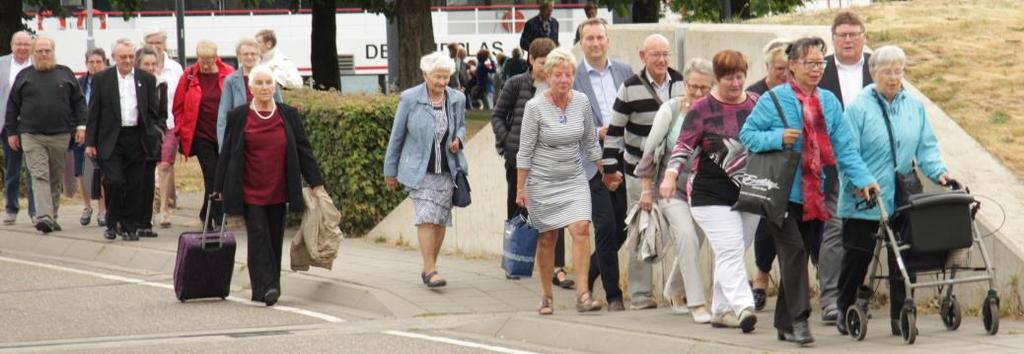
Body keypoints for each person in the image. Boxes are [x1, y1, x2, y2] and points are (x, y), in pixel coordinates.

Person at [739, 36, 879, 345]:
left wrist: (864, 179)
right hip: (780, 193)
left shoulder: (828, 101)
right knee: (795, 252)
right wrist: (778, 137)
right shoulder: (774, 99)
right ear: (792, 66)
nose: (817, 69)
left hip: (814, 193)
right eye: (810, 63)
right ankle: (801, 320)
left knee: (796, 258)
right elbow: (747, 134)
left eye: (820, 63)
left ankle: (783, 322)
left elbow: (845, 147)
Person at [835, 45, 951, 337]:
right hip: (865, 197)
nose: (893, 76)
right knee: (857, 257)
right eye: (886, 71)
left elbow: (927, 147)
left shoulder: (914, 106)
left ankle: (901, 316)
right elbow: (847, 152)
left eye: (898, 70)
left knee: (904, 257)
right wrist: (862, 181)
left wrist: (940, 172)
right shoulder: (859, 108)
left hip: (902, 195)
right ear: (873, 73)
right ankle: (844, 307)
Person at [657, 51, 757, 331]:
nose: (735, 83)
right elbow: (683, 146)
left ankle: (721, 310)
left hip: (750, 191)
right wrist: (670, 175)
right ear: (717, 78)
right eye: (728, 78)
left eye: (739, 77)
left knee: (734, 251)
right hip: (709, 193)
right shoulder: (702, 108)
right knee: (729, 249)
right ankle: (743, 305)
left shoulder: (756, 104)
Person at [214, 65, 324, 307]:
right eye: (260, 83)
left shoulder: (288, 114)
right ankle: (268, 286)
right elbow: (228, 153)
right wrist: (219, 185)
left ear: (274, 87)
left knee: (274, 238)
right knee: (258, 236)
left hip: (279, 188)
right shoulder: (239, 115)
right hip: (250, 188)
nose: (265, 87)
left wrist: (316, 183)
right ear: (251, 88)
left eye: (268, 83)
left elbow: (304, 150)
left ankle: (265, 288)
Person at [515, 47, 602, 315]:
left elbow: (589, 141)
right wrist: (521, 188)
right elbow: (525, 149)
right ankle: (546, 295)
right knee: (547, 238)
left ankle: (583, 294)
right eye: (558, 75)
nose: (563, 80)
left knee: (581, 229)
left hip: (574, 178)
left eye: (568, 75)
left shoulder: (582, 102)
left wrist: (604, 169)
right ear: (548, 76)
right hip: (543, 181)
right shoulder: (535, 107)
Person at [602, 33, 685, 310]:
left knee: (680, 231)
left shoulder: (682, 84)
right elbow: (614, 132)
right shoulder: (629, 87)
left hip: (674, 171)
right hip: (638, 171)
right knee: (642, 230)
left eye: (666, 54)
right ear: (642, 57)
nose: (662, 60)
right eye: (655, 55)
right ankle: (640, 295)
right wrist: (611, 168)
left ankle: (676, 291)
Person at [491, 38, 575, 288]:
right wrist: (508, 141)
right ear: (530, 60)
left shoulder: (561, 86)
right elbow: (497, 115)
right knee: (518, 210)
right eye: (542, 62)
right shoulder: (516, 84)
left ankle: (557, 268)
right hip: (519, 159)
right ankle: (516, 260)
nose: (546, 67)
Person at [636, 58, 713, 322]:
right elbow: (649, 153)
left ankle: (674, 290)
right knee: (687, 237)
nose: (699, 93)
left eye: (705, 88)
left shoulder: (716, 111)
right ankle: (698, 304)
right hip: (672, 189)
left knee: (695, 241)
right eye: (693, 87)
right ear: (684, 85)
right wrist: (647, 191)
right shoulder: (670, 110)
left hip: (705, 190)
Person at [383, 51, 468, 288]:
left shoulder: (457, 99)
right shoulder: (410, 99)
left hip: (447, 170)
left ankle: (430, 265)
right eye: (437, 77)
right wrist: (390, 170)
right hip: (419, 170)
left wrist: (458, 139)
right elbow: (397, 136)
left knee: (440, 220)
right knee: (426, 216)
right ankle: (430, 270)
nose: (442, 83)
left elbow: (462, 126)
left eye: (446, 77)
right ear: (425, 75)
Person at [816, 11, 874, 323]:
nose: (848, 40)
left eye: (853, 34)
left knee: (869, 232)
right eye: (842, 35)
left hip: (874, 164)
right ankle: (830, 299)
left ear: (864, 36)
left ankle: (856, 295)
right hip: (832, 164)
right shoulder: (820, 70)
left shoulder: (879, 66)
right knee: (836, 229)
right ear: (833, 38)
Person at [572, 18, 633, 311]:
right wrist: (597, 132)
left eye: (600, 38)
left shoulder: (625, 71)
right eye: (589, 39)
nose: (595, 43)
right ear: (581, 43)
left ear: (608, 40)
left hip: (623, 157)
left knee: (624, 226)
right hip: (590, 161)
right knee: (606, 226)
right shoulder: (571, 78)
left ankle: (591, 270)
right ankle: (613, 296)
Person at [4, 36, 87, 234]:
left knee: (55, 177)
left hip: (60, 135)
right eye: (39, 51)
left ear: (53, 51)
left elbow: (79, 103)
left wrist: (81, 127)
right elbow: (12, 106)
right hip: (31, 135)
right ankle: (43, 217)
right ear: (33, 54)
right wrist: (11, 132)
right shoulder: (24, 76)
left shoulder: (65, 74)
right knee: (39, 174)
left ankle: (52, 215)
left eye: (47, 51)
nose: (43, 54)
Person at [86, 39, 161, 241]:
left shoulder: (146, 79)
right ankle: (112, 222)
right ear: (115, 58)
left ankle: (129, 227)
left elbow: (152, 111)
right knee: (115, 181)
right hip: (111, 139)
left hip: (137, 138)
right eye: (123, 57)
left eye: (130, 56)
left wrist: (152, 133)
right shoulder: (102, 79)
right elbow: (94, 112)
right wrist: (90, 142)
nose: (127, 60)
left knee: (135, 185)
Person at [746, 37, 791, 311]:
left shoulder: (800, 92)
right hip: (765, 168)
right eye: (779, 69)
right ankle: (761, 277)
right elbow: (748, 135)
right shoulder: (755, 94)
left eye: (789, 68)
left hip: (796, 170)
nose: (784, 74)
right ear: (768, 67)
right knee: (766, 226)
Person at [172, 40, 234, 231]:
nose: (206, 64)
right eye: (202, 60)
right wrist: (181, 129)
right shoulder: (189, 76)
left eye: (209, 60)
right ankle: (216, 218)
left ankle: (205, 216)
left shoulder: (228, 74)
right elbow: (178, 106)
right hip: (201, 135)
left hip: (224, 134)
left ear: (216, 57)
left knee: (220, 176)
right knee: (212, 175)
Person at [144, 28, 184, 227]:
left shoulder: (175, 68)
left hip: (170, 124)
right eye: (151, 43)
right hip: (146, 126)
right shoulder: (142, 66)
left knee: (165, 165)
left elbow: (182, 96)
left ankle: (164, 210)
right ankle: (149, 206)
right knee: (147, 166)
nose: (155, 47)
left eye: (158, 43)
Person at [218, 37, 284, 150]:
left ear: (259, 55)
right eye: (245, 54)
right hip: (241, 137)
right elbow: (224, 115)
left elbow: (280, 108)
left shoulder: (269, 76)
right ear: (239, 56)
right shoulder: (231, 81)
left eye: (253, 53)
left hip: (268, 133)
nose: (249, 57)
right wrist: (223, 146)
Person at [0, 31, 36, 225]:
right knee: (12, 169)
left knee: (33, 169)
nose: (22, 48)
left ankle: (35, 211)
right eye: (19, 44)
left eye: (26, 44)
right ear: (12, 46)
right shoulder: (2, 64)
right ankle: (11, 209)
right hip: (8, 125)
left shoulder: (37, 64)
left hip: (32, 125)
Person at [133, 46, 168, 238]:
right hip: (131, 138)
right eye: (147, 64)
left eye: (154, 64)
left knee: (148, 181)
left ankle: (145, 222)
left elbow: (162, 114)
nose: (151, 67)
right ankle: (130, 220)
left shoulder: (161, 84)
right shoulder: (132, 83)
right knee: (132, 181)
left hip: (150, 139)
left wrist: (158, 132)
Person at [76, 48, 108, 227]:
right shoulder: (80, 84)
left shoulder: (108, 82)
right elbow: (75, 107)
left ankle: (103, 210)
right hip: (82, 131)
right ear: (86, 64)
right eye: (91, 62)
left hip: (102, 133)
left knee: (101, 172)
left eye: (98, 62)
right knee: (82, 172)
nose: (95, 66)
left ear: (104, 62)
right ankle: (87, 206)